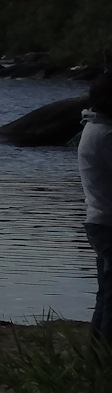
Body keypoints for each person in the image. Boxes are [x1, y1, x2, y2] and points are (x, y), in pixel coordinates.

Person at [81, 73, 112, 342]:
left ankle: (97, 361)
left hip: (99, 221)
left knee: (106, 295)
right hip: (108, 224)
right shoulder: (105, 135)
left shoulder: (95, 128)